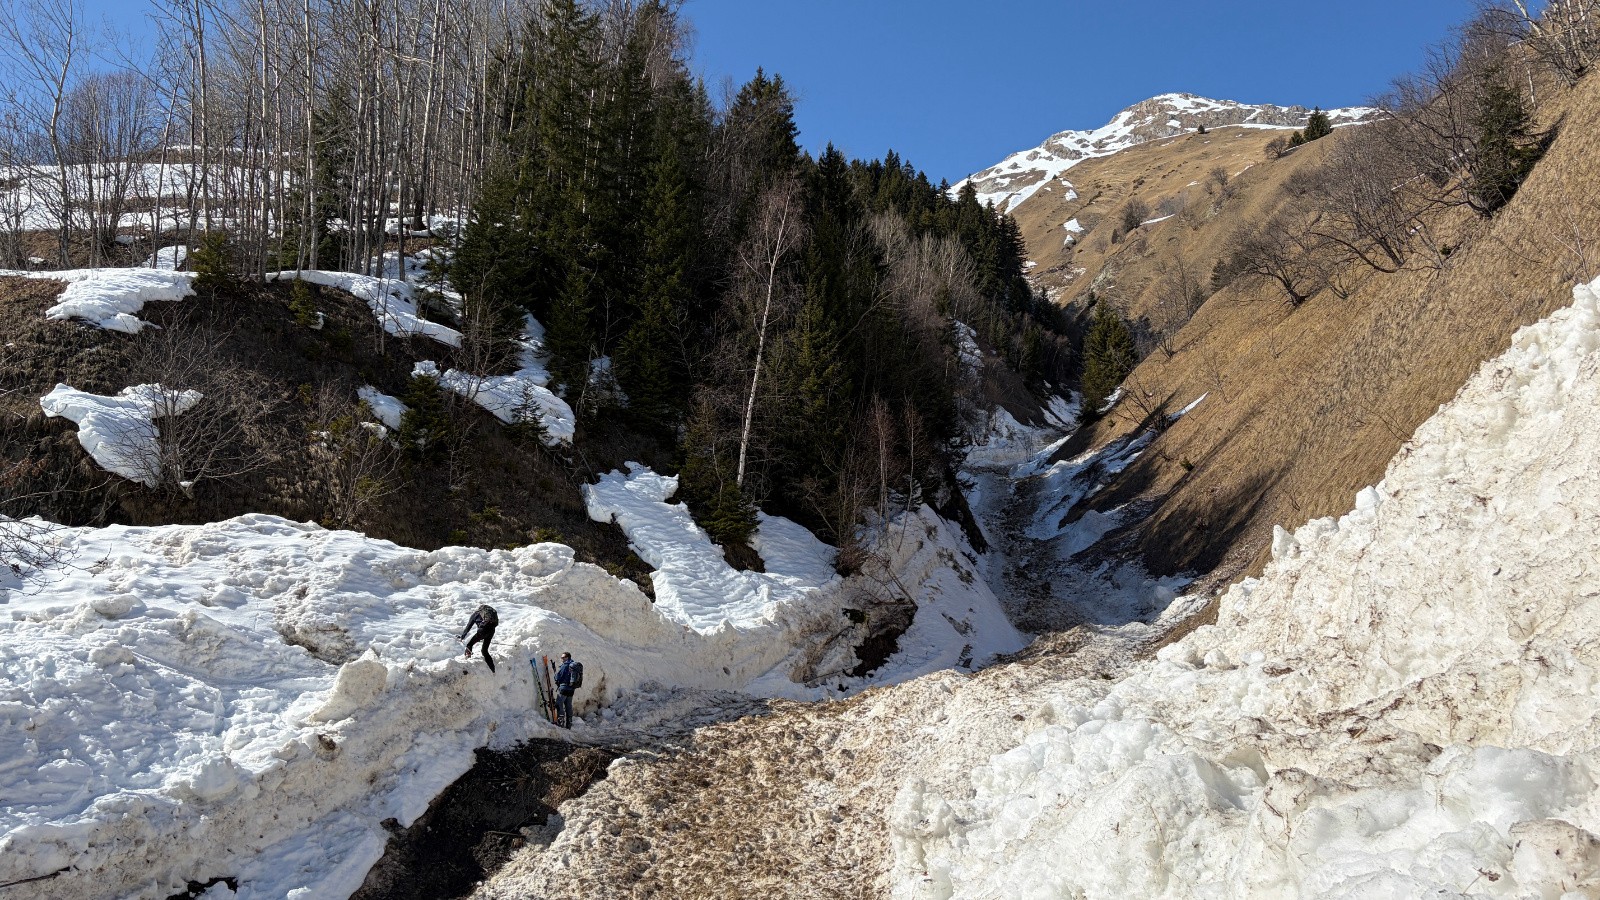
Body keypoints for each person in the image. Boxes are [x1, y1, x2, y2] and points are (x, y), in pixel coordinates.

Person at [460, 604, 498, 672]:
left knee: (469, 645)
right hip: (491, 631)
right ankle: (493, 670)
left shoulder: (476, 614)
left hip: (482, 631)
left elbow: (468, 626)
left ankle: (467, 662)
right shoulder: (489, 617)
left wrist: (462, 636)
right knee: (485, 651)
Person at [553, 651, 581, 728]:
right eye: (561, 657)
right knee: (568, 705)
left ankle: (560, 723)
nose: (561, 659)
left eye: (563, 657)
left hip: (563, 688)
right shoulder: (573, 665)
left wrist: (555, 676)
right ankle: (569, 724)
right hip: (571, 689)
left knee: (559, 704)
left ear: (567, 657)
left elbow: (559, 677)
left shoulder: (565, 665)